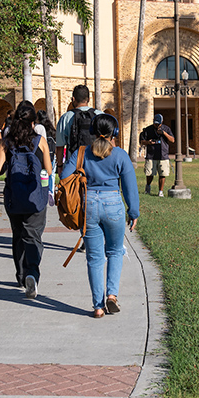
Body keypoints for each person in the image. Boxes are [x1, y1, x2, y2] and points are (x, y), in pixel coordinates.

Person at [61, 113, 139, 319]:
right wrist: (133, 212)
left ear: (93, 132)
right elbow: (130, 187)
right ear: (115, 133)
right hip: (114, 204)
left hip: (89, 206)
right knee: (114, 251)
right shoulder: (120, 155)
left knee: (94, 258)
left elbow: (64, 177)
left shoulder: (81, 153)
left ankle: (98, 306)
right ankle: (112, 296)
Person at [0, 101, 53, 299]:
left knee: (17, 235)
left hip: (13, 197)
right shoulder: (40, 141)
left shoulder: (6, 141)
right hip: (35, 197)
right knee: (33, 236)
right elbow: (48, 170)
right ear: (33, 121)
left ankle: (21, 275)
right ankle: (32, 273)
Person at [55, 84, 97, 168]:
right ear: (89, 99)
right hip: (96, 165)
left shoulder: (65, 118)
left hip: (74, 166)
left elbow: (60, 146)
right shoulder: (99, 115)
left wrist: (59, 166)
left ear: (73, 99)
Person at [140, 113, 175, 197]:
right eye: (155, 123)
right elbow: (142, 141)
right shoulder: (148, 130)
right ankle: (147, 187)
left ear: (161, 122)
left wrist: (164, 133)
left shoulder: (166, 129)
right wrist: (149, 142)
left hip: (163, 155)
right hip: (151, 155)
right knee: (149, 174)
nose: (156, 125)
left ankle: (160, 191)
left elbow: (172, 140)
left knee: (162, 174)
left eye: (158, 123)